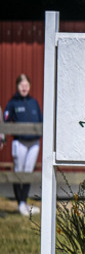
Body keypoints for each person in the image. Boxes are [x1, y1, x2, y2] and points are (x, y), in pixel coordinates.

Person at [3, 74, 42, 216]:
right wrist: (3, 137)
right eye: (21, 85)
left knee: (28, 173)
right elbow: (5, 121)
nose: (24, 88)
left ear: (29, 86)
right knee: (18, 172)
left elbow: (41, 121)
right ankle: (20, 203)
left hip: (34, 143)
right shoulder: (12, 103)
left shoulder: (34, 102)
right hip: (19, 143)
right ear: (17, 86)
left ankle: (24, 203)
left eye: (26, 85)